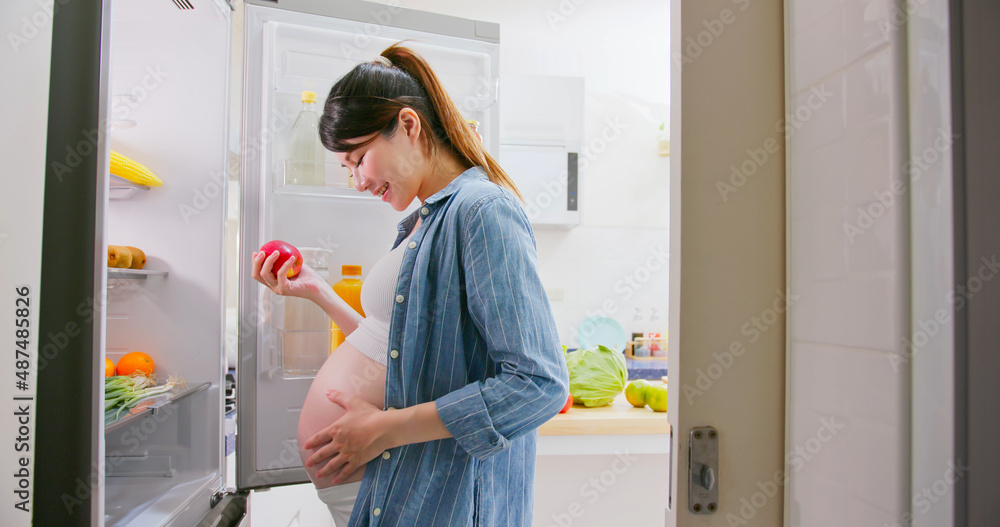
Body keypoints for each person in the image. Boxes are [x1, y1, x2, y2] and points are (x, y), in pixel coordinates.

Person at [253, 43, 568, 526]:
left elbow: (540, 385)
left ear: (408, 125)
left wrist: (385, 430)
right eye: (347, 167)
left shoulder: (482, 211)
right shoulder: (422, 221)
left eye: (358, 158)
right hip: (395, 485)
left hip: (437, 493)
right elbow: (402, 351)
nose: (357, 181)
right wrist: (318, 292)